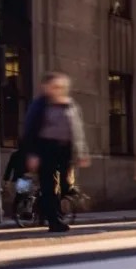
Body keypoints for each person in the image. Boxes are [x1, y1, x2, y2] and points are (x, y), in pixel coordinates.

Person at [20, 72, 90, 233]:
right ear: (46, 88)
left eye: (62, 87)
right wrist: (31, 154)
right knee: (49, 186)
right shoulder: (40, 105)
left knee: (66, 186)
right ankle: (54, 221)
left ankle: (50, 212)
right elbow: (29, 130)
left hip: (65, 149)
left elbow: (77, 130)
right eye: (55, 87)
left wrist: (81, 152)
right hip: (46, 148)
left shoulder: (71, 105)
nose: (59, 90)